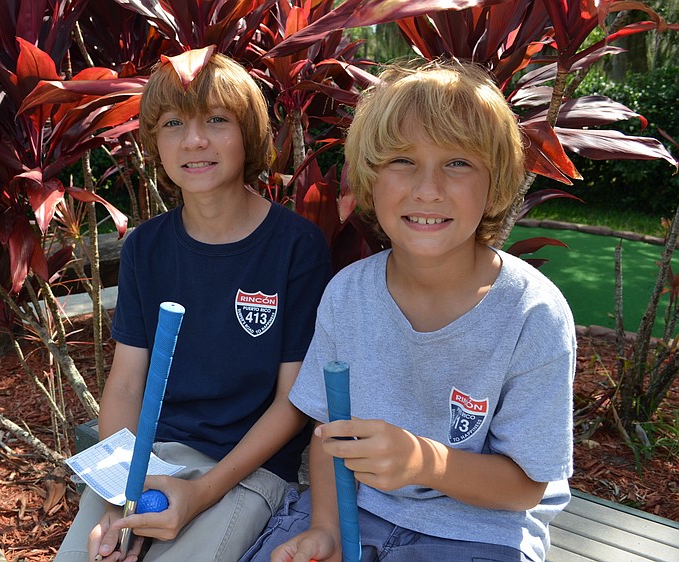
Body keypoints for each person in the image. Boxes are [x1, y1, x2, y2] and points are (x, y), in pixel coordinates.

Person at [239, 58, 575, 562]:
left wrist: (425, 462)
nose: (427, 188)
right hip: (350, 511)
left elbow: (526, 486)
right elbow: (330, 434)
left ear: (496, 182)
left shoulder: (533, 315)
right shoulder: (347, 294)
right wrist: (328, 529)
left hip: (480, 535)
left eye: (458, 162)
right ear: (371, 179)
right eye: (402, 160)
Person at [53, 47, 332, 562]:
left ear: (249, 134)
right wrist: (121, 494)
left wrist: (202, 493)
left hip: (246, 469)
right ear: (153, 142)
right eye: (174, 123)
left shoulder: (296, 246)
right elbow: (127, 382)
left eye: (217, 120)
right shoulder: (146, 248)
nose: (195, 140)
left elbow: (293, 403)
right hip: (151, 460)